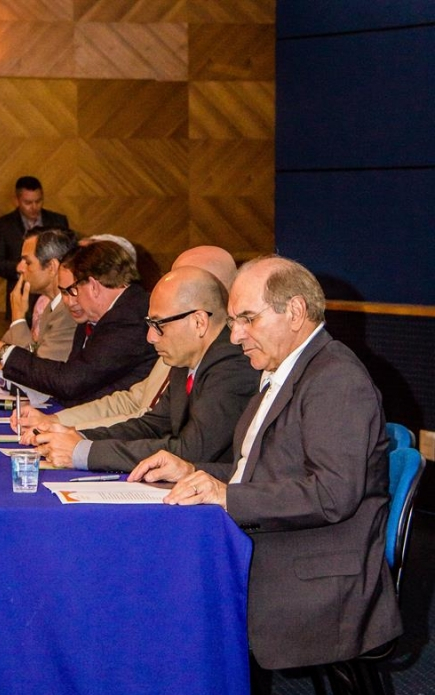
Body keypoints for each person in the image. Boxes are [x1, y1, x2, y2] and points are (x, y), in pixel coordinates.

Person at [128, 255, 402, 671]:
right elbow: (258, 471)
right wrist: (195, 472)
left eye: (248, 320)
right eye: (234, 321)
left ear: (295, 312)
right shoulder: (287, 370)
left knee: (160, 600)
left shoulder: (336, 380)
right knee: (153, 577)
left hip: (317, 576)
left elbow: (332, 495)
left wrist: (227, 495)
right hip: (289, 545)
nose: (235, 335)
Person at [30, 265, 259, 471]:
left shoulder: (232, 365)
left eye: (158, 324)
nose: (151, 337)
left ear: (198, 322)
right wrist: (78, 437)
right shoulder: (187, 355)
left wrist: (85, 453)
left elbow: (190, 451)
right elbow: (153, 425)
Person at [13, 245, 237, 432]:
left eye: (182, 282)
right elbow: (132, 401)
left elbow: (162, 432)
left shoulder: (229, 363)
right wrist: (57, 422)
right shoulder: (178, 347)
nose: (151, 337)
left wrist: (75, 438)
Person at [0, 240, 156, 407]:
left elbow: (70, 382)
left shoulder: (130, 317)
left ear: (93, 286)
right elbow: (69, 383)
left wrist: (3, 352)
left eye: (72, 291)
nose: (71, 301)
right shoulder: (97, 315)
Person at [0, 176, 68, 320]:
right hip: (22, 295)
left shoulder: (58, 221)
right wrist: (19, 267)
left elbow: (67, 255)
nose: (34, 207)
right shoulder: (4, 225)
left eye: (38, 201)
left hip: (55, 295)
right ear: (17, 200)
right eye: (28, 202)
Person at [0, 227, 78, 360]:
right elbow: (23, 351)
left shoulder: (69, 311)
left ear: (52, 267)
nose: (19, 268)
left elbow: (35, 368)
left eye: (27, 262)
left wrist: (18, 318)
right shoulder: (52, 306)